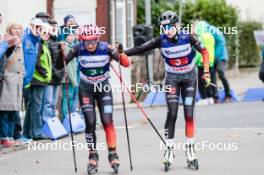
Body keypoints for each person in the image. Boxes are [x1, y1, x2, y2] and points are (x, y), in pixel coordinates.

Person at [124, 11, 210, 171]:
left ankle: (190, 149)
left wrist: (206, 71)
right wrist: (119, 52)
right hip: (172, 79)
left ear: (177, 25)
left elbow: (204, 52)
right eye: (164, 27)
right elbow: (140, 48)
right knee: (172, 113)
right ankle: (169, 150)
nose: (167, 30)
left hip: (189, 78)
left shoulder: (188, 37)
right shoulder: (161, 40)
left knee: (189, 114)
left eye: (170, 26)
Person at [61, 24, 129, 174]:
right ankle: (93, 154)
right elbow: (62, 63)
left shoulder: (106, 48)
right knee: (90, 121)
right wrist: (59, 52)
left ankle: (112, 153)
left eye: (93, 41)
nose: (90, 44)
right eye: (86, 42)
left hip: (103, 88)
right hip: (86, 89)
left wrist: (121, 52)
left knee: (107, 120)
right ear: (81, 41)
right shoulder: (78, 48)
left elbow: (125, 64)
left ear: (98, 39)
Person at [24, 23, 52, 140]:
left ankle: (28, 132)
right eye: (44, 32)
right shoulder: (38, 44)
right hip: (37, 79)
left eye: (48, 33)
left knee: (33, 106)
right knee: (36, 107)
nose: (46, 35)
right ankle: (36, 132)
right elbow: (36, 62)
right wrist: (44, 73)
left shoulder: (43, 45)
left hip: (41, 80)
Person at [0, 23, 24, 147]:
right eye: (15, 28)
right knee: (5, 110)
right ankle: (4, 137)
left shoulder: (20, 42)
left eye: (19, 28)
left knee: (13, 111)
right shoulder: (6, 42)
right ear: (9, 30)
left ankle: (9, 136)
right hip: (7, 79)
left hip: (17, 80)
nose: (17, 31)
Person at [41, 19, 64, 123]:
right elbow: (48, 63)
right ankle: (46, 123)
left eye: (55, 27)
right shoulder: (46, 42)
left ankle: (52, 123)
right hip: (50, 78)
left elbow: (59, 61)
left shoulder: (57, 41)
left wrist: (60, 73)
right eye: (52, 27)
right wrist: (55, 74)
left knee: (54, 103)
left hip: (57, 77)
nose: (54, 29)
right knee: (48, 102)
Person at [194, 21, 218, 104]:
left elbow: (199, 52)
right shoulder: (211, 36)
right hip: (210, 62)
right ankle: (210, 98)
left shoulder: (200, 37)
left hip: (202, 63)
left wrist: (194, 62)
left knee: (201, 82)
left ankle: (203, 98)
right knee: (209, 80)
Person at [207, 23, 232, 102]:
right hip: (212, 57)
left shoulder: (212, 29)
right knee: (212, 76)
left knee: (221, 73)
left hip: (221, 56)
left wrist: (216, 56)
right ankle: (215, 96)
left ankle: (228, 95)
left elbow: (221, 41)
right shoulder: (202, 31)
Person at [61, 30, 79, 121]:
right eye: (69, 35)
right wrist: (73, 80)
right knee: (67, 99)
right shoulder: (67, 48)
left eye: (73, 35)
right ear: (65, 37)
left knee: (70, 99)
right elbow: (68, 66)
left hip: (72, 78)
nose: (71, 37)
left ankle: (70, 119)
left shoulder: (71, 46)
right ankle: (65, 120)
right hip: (68, 78)